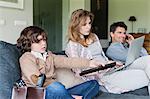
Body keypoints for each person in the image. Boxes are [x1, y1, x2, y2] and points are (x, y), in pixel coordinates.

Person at [65, 9, 149, 94]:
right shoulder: (72, 45)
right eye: (84, 24)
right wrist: (101, 67)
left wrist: (111, 63)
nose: (88, 27)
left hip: (111, 69)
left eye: (89, 23)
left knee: (148, 59)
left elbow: (102, 57)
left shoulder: (93, 37)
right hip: (101, 78)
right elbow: (79, 72)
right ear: (76, 25)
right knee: (143, 75)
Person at [17, 26, 101, 99]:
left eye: (44, 40)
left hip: (57, 91)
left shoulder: (49, 55)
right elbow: (35, 80)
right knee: (57, 87)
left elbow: (68, 61)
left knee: (93, 84)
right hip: (39, 93)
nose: (43, 43)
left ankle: (66, 96)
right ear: (28, 43)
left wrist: (89, 63)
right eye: (38, 41)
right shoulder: (27, 57)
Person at [106, 21, 150, 93]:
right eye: (119, 32)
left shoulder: (126, 46)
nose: (123, 36)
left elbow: (145, 55)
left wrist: (133, 44)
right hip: (126, 70)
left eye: (124, 33)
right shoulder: (112, 49)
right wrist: (133, 46)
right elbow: (131, 59)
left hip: (134, 66)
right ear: (112, 34)